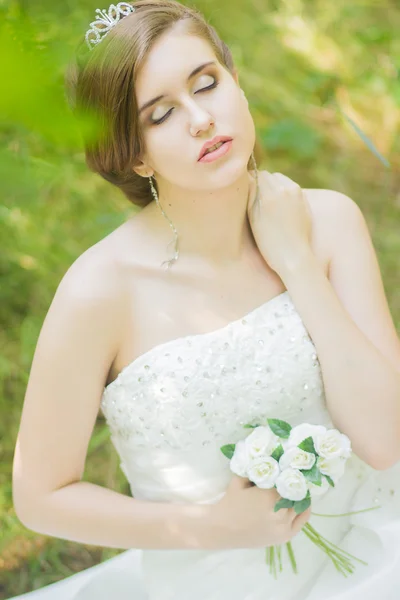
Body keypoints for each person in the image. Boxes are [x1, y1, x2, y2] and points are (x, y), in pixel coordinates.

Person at [10, 1, 400, 598]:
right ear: (134, 156)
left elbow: (383, 440)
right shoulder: (100, 292)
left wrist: (297, 265)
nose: (200, 119)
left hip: (374, 540)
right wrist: (210, 527)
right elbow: (40, 498)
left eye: (207, 84)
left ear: (236, 84)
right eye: (161, 114)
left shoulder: (328, 222)